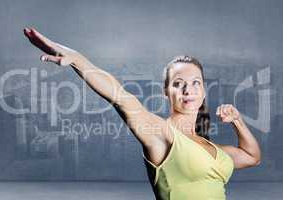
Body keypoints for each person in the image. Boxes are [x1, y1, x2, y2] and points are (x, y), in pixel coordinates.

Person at [23, 27, 261, 200]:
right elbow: (120, 97)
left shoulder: (211, 148)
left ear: (203, 90)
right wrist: (77, 60)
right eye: (178, 83)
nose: (188, 90)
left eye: (196, 82)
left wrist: (238, 121)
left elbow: (251, 156)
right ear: (166, 92)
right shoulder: (160, 133)